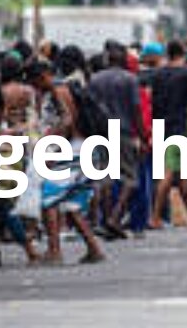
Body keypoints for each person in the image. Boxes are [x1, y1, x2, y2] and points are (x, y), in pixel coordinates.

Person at [26, 60, 105, 265]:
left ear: (43, 75)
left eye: (35, 82)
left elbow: (68, 120)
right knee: (71, 205)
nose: (35, 87)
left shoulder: (57, 91)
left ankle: (54, 251)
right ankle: (94, 249)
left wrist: (52, 142)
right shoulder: (67, 88)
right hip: (83, 148)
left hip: (72, 150)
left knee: (48, 198)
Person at [87, 43, 145, 238]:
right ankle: (116, 215)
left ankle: (105, 219)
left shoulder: (94, 79)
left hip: (101, 131)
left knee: (105, 176)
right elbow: (136, 109)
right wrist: (143, 135)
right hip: (124, 131)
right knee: (129, 177)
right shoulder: (130, 79)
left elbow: (90, 107)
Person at [149, 40, 187, 230]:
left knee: (183, 177)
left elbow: (153, 102)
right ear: (182, 53)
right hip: (177, 129)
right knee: (168, 173)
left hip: (160, 127)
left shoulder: (157, 74)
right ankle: (155, 217)